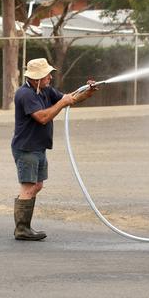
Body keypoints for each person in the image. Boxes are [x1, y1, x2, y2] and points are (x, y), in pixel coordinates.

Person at [11, 58, 97, 241]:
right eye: (47, 75)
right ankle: (22, 229)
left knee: (37, 185)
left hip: (38, 147)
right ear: (36, 78)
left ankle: (23, 224)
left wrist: (87, 92)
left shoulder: (45, 90)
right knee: (28, 187)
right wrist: (62, 103)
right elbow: (42, 117)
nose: (50, 77)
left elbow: (70, 98)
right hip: (26, 148)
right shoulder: (25, 94)